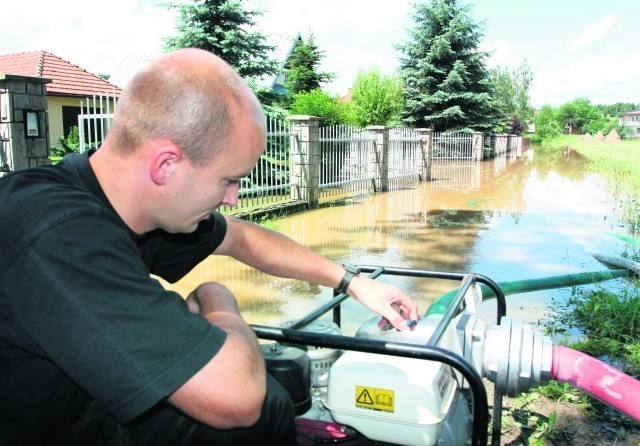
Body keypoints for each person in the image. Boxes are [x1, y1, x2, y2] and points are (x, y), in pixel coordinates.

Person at [0, 48, 419, 445]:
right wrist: (217, 300)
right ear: (166, 164)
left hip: (82, 408)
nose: (234, 197)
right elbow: (235, 398)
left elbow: (242, 237)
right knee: (263, 404)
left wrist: (353, 282)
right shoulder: (58, 229)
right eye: (228, 180)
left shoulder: (129, 203)